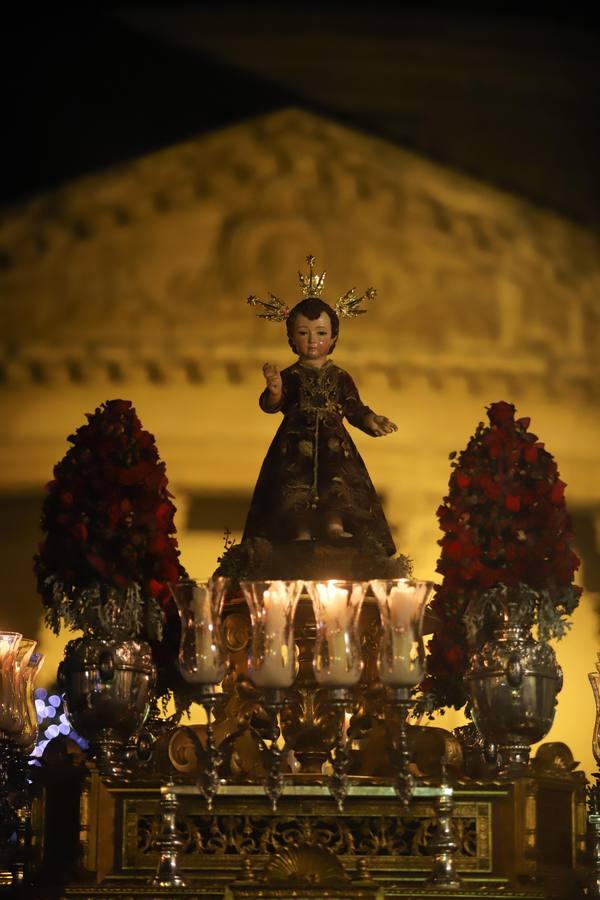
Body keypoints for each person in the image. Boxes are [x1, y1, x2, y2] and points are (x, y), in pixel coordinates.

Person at [242, 261, 397, 554]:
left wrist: (371, 419)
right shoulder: (290, 375)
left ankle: (335, 525)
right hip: (294, 443)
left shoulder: (340, 376)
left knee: (336, 482)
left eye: (321, 333)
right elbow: (272, 405)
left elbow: (354, 407)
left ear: (334, 338)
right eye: (304, 333)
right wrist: (274, 389)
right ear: (291, 338)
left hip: (333, 444)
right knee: (294, 484)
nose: (312, 340)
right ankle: (300, 530)